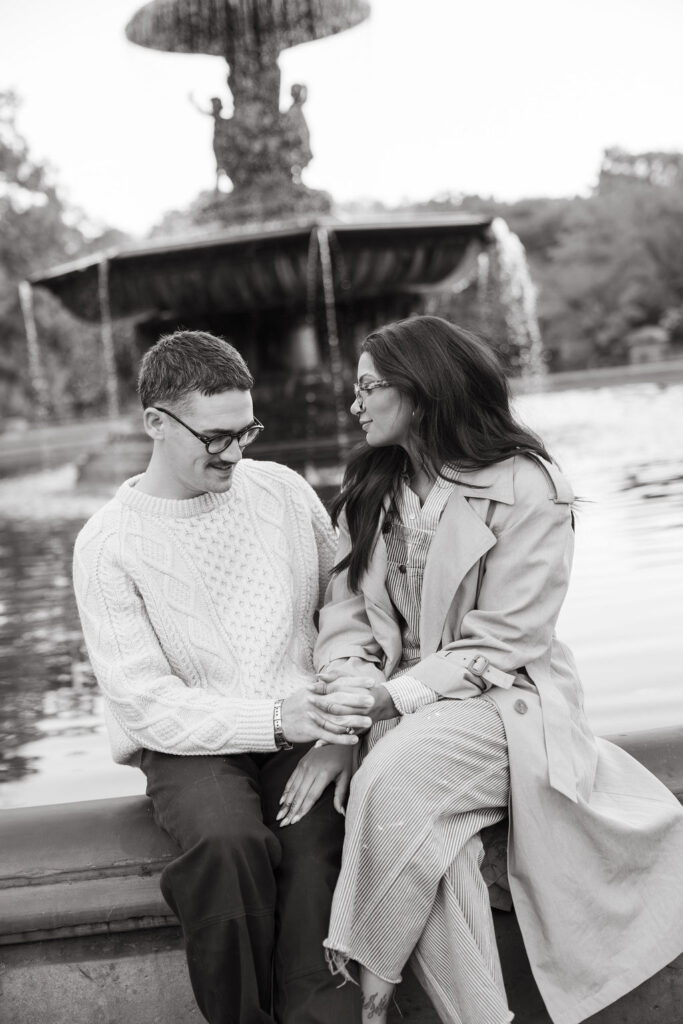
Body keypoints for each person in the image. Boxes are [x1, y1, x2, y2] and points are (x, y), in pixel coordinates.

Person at [280, 315, 683, 1024]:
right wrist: (347, 708)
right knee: (444, 858)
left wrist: (388, 700)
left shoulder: (529, 485)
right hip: (394, 710)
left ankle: (370, 978)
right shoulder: (370, 488)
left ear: (424, 390)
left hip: (500, 703)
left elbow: (506, 640)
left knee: (393, 775)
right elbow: (341, 619)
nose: (355, 404)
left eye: (369, 387)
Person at [72, 330, 367, 1024]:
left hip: (306, 720)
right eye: (216, 437)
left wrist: (341, 730)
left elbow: (344, 614)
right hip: (188, 744)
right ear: (155, 423)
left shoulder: (284, 492)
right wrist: (269, 721)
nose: (235, 452)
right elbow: (143, 703)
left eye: (246, 431)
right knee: (225, 846)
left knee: (318, 840)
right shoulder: (107, 544)